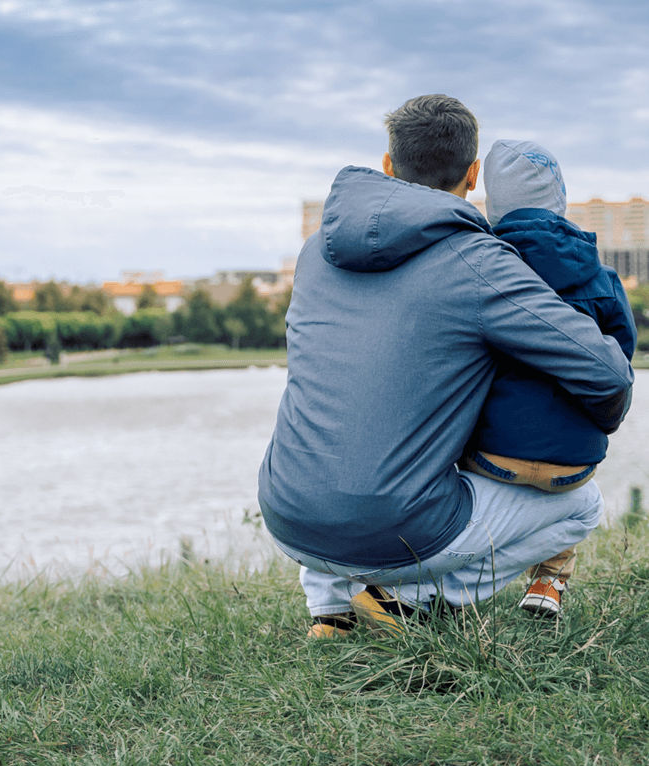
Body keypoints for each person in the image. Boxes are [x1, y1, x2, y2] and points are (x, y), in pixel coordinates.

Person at [257, 94, 634, 639]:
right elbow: (606, 373)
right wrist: (590, 420)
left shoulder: (316, 252)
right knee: (581, 505)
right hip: (394, 529)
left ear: (388, 164)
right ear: (473, 174)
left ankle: (333, 608)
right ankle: (414, 602)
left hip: (287, 515)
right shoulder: (477, 261)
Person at [459, 139, 636, 616]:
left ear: (494, 201)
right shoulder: (600, 277)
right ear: (559, 199)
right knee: (564, 486)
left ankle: (449, 583)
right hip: (575, 466)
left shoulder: (482, 267)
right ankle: (551, 580)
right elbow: (619, 359)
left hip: (491, 460)